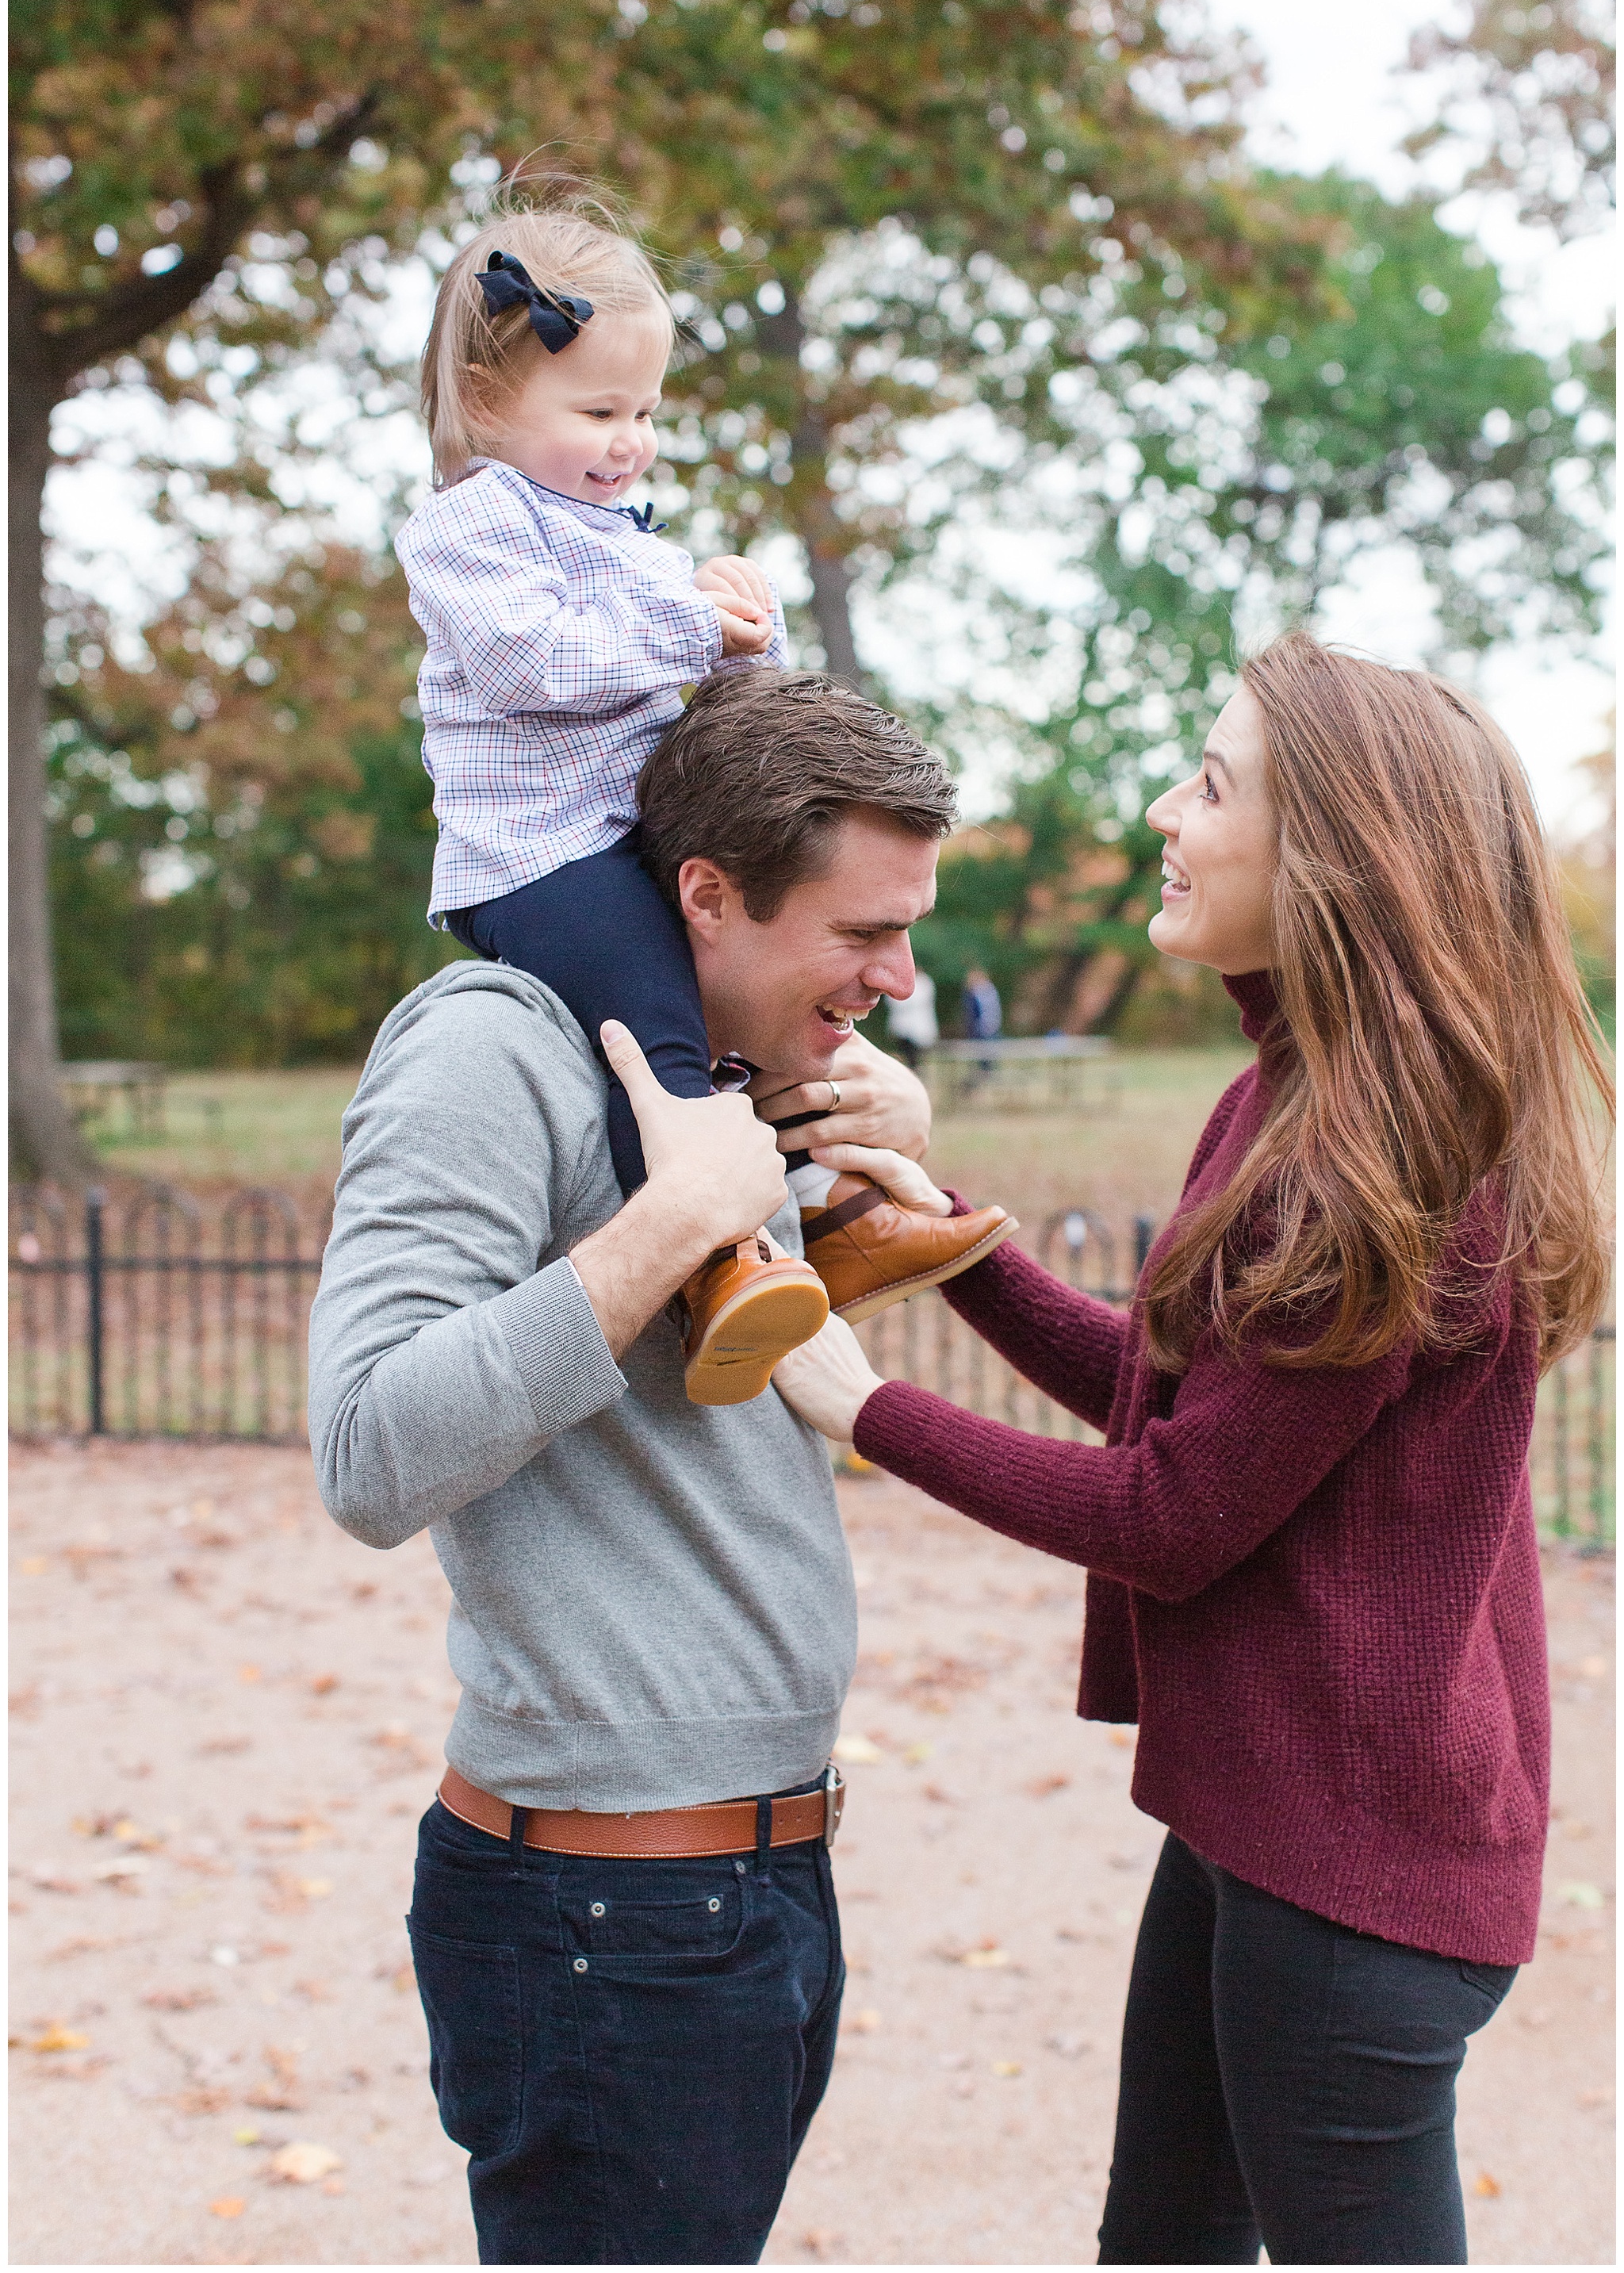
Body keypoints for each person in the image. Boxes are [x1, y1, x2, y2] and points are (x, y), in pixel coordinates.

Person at [770, 634, 1613, 2267]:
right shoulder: (1308, 1097)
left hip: (1351, 1881)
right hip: (1269, 1825)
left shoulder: (1383, 1164)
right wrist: (948, 1237)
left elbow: (1171, 1513)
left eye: (1210, 782)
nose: (1163, 808)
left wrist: (858, 1404)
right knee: (1159, 2241)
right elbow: (1192, 1402)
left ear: (1337, 859)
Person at [307, 669, 1013, 2267]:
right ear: (706, 892)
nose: (901, 975)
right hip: (605, 1919)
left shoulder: (715, 1077)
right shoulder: (492, 1047)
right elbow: (364, 1450)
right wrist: (670, 1225)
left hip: (755, 1886)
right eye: (861, 932)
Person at [396, 180, 1002, 1400]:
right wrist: (686, 622)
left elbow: (737, 727)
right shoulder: (468, 532)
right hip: (540, 855)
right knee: (657, 1026)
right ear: (485, 402)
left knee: (757, 1016)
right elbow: (538, 663)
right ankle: (711, 1260)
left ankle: (838, 1212)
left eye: (648, 409)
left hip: (630, 831)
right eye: (600, 407)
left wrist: (751, 636)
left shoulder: (624, 531)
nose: (632, 439)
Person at [884, 967, 939, 1070]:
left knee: (915, 1053)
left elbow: (915, 1001)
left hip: (917, 1025)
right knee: (906, 1051)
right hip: (904, 1025)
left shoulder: (924, 983)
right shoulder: (902, 982)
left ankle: (914, 1070)